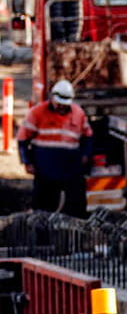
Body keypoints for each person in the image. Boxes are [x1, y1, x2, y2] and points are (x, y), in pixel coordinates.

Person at [18, 79, 93, 218]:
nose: (61, 107)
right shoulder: (37, 113)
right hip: (45, 167)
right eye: (58, 103)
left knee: (76, 206)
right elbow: (23, 138)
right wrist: (27, 162)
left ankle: (74, 234)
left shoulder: (78, 113)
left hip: (71, 168)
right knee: (44, 208)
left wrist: (85, 156)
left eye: (64, 105)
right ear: (52, 98)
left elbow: (87, 137)